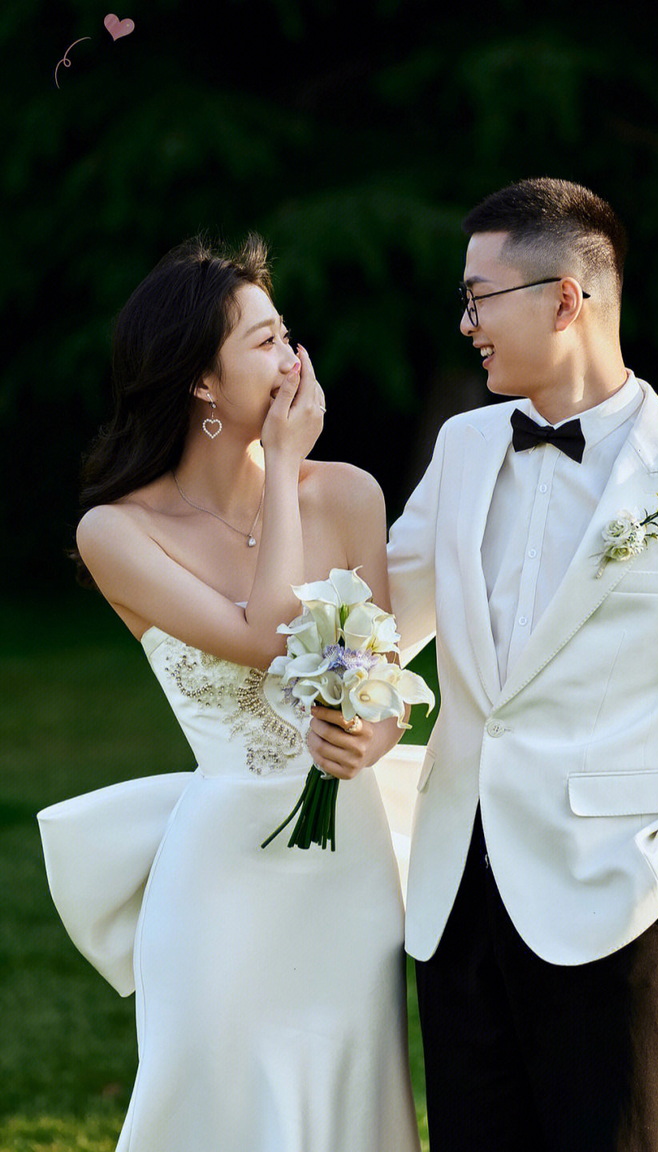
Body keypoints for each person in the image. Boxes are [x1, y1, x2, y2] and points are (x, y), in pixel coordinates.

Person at [387, 177, 658, 1152]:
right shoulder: (463, 445)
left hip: (614, 899)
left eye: (480, 298)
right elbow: (380, 623)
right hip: (454, 898)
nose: (466, 323)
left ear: (565, 299)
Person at [37, 235, 420, 1152]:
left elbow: (386, 680)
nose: (293, 359)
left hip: (351, 870)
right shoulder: (115, 530)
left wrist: (371, 737)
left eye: (287, 335)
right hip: (219, 886)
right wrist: (281, 466)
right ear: (203, 383)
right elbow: (263, 634)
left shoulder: (351, 495)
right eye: (265, 341)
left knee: (349, 1098)